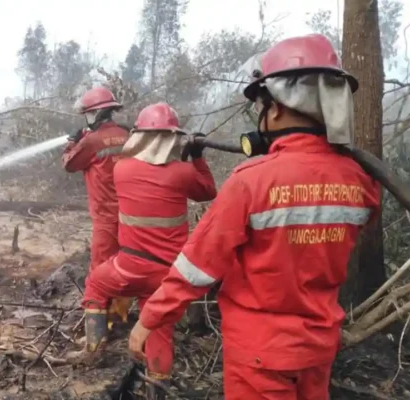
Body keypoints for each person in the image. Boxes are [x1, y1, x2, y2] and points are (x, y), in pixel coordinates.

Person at [128, 34, 382, 400]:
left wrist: (151, 318)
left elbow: (197, 266)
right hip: (319, 347)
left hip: (260, 353)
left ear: (275, 107)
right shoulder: (361, 180)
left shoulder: (251, 181)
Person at [69, 102, 217, 400]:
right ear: (173, 138)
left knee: (97, 283)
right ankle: (156, 389)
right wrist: (196, 157)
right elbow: (208, 192)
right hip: (168, 276)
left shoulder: (122, 170)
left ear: (140, 136)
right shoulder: (184, 173)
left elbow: (129, 162)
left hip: (129, 267)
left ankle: (93, 349)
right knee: (159, 328)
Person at [62, 86, 132, 326]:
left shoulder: (91, 140)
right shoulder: (128, 134)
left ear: (96, 114)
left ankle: (96, 335)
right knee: (126, 267)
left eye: (88, 115)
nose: (87, 120)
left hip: (106, 217)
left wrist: (73, 141)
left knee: (99, 274)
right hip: (133, 216)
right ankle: (119, 317)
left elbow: (69, 165)